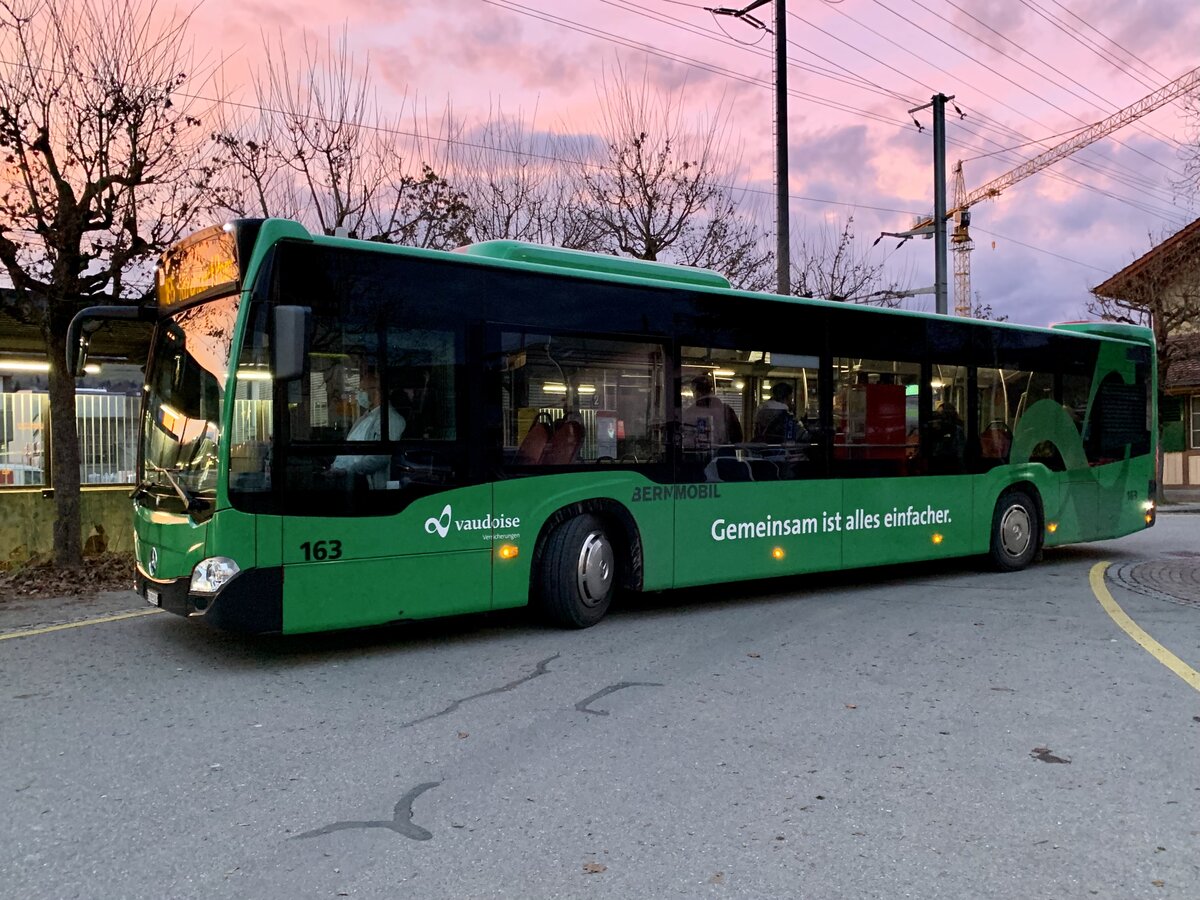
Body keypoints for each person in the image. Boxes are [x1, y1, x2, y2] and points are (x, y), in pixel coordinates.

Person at [329, 364, 405, 488]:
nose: (359, 395)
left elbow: (381, 457)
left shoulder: (391, 419)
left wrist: (350, 470)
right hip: (347, 478)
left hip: (369, 484)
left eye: (362, 390)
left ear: (376, 391)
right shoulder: (365, 417)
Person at [682, 373, 742, 448]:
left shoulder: (689, 413)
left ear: (697, 392)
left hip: (698, 456)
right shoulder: (727, 410)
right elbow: (737, 438)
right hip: (723, 455)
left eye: (693, 392)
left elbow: (687, 442)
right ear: (711, 390)